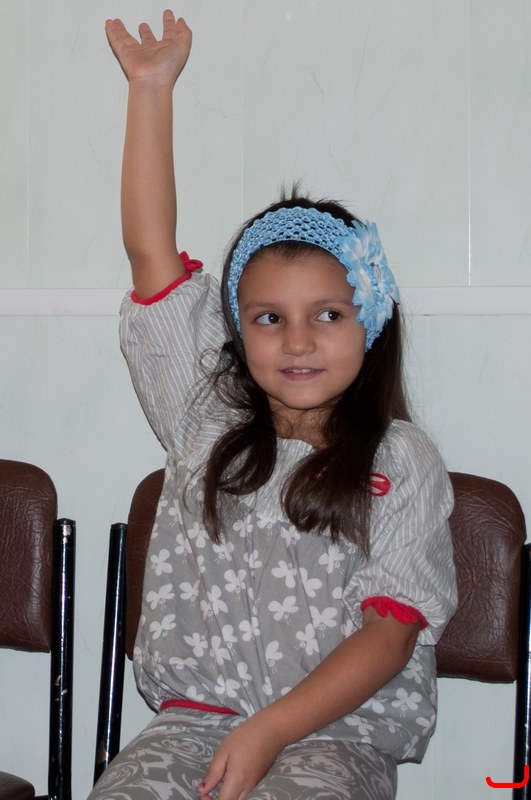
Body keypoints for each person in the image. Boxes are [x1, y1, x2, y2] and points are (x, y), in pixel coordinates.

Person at [92, 9, 457, 800]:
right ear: (238, 328)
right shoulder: (203, 417)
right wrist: (150, 89)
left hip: (337, 737)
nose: (297, 341)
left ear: (370, 321)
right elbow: (152, 257)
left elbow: (390, 635)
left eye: (326, 314)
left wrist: (270, 730)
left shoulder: (400, 461)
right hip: (192, 726)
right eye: (268, 318)